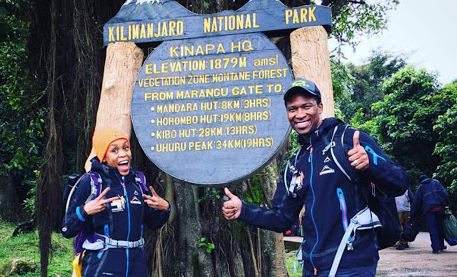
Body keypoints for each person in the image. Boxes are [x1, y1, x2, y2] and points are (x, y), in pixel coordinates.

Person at [222, 78, 408, 277]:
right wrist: (244, 210)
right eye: (292, 109)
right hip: (313, 267)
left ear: (319, 107)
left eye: (306, 106)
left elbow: (400, 183)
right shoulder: (296, 162)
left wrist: (370, 164)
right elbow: (282, 218)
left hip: (353, 264)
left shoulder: (349, 139)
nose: (299, 114)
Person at [62, 128, 171, 277]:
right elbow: (67, 229)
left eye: (126, 148)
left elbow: (152, 223)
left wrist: (165, 209)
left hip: (136, 265)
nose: (123, 154)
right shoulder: (91, 182)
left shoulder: (139, 182)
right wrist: (85, 210)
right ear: (104, 157)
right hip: (102, 265)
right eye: (114, 150)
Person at [411, 175, 449, 253]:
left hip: (429, 210)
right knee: (440, 227)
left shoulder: (421, 187)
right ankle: (441, 245)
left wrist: (413, 213)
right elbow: (445, 194)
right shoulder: (436, 182)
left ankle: (435, 248)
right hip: (439, 208)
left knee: (433, 229)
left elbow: (416, 201)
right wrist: (444, 204)